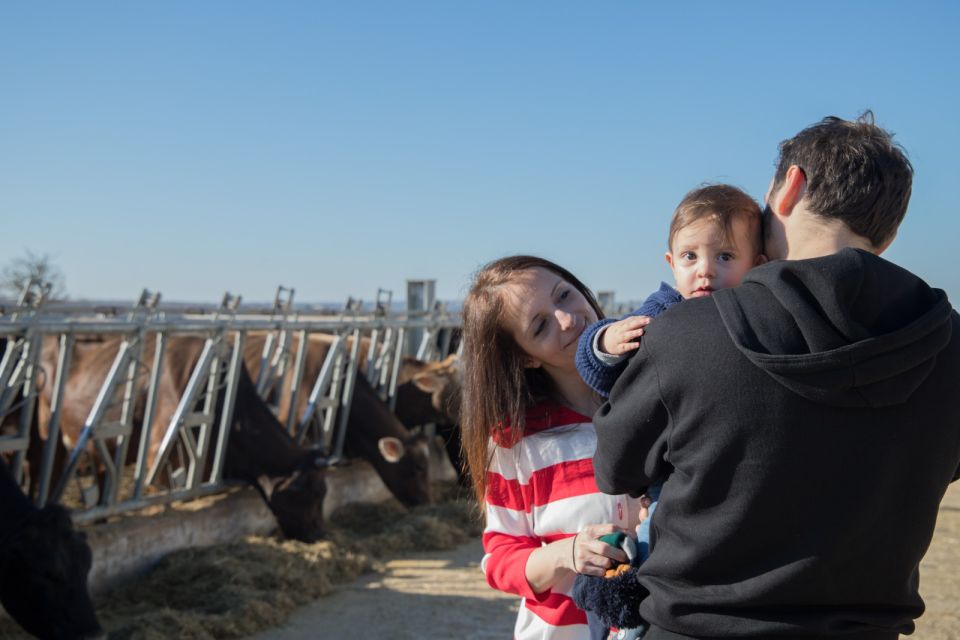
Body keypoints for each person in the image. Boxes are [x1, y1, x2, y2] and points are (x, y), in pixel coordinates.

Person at [592, 112, 960, 639]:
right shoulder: (949, 343)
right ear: (891, 231)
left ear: (788, 188)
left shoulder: (687, 334)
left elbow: (616, 468)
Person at [572, 184, 766, 640]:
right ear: (670, 263)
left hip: (714, 467)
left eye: (724, 257)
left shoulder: (752, 316)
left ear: (757, 264)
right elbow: (601, 375)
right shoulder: (663, 311)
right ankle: (625, 627)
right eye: (690, 257)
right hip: (662, 473)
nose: (705, 272)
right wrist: (605, 345)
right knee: (648, 547)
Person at [461, 255, 642, 640]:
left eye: (565, 294)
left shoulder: (653, 393)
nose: (568, 319)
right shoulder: (515, 440)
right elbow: (500, 561)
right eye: (541, 325)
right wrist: (568, 553)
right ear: (525, 357)